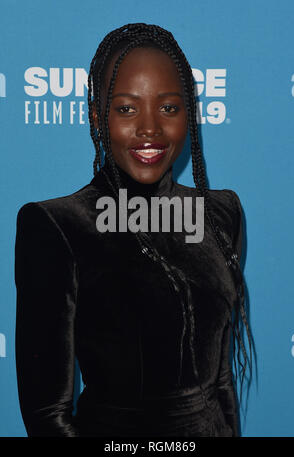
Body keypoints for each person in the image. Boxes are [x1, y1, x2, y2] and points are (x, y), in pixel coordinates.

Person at [14, 23, 252, 437]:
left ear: (189, 116)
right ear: (96, 116)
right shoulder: (58, 226)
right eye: (126, 108)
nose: (150, 129)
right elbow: (47, 415)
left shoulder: (221, 213)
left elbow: (220, 383)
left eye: (169, 108)